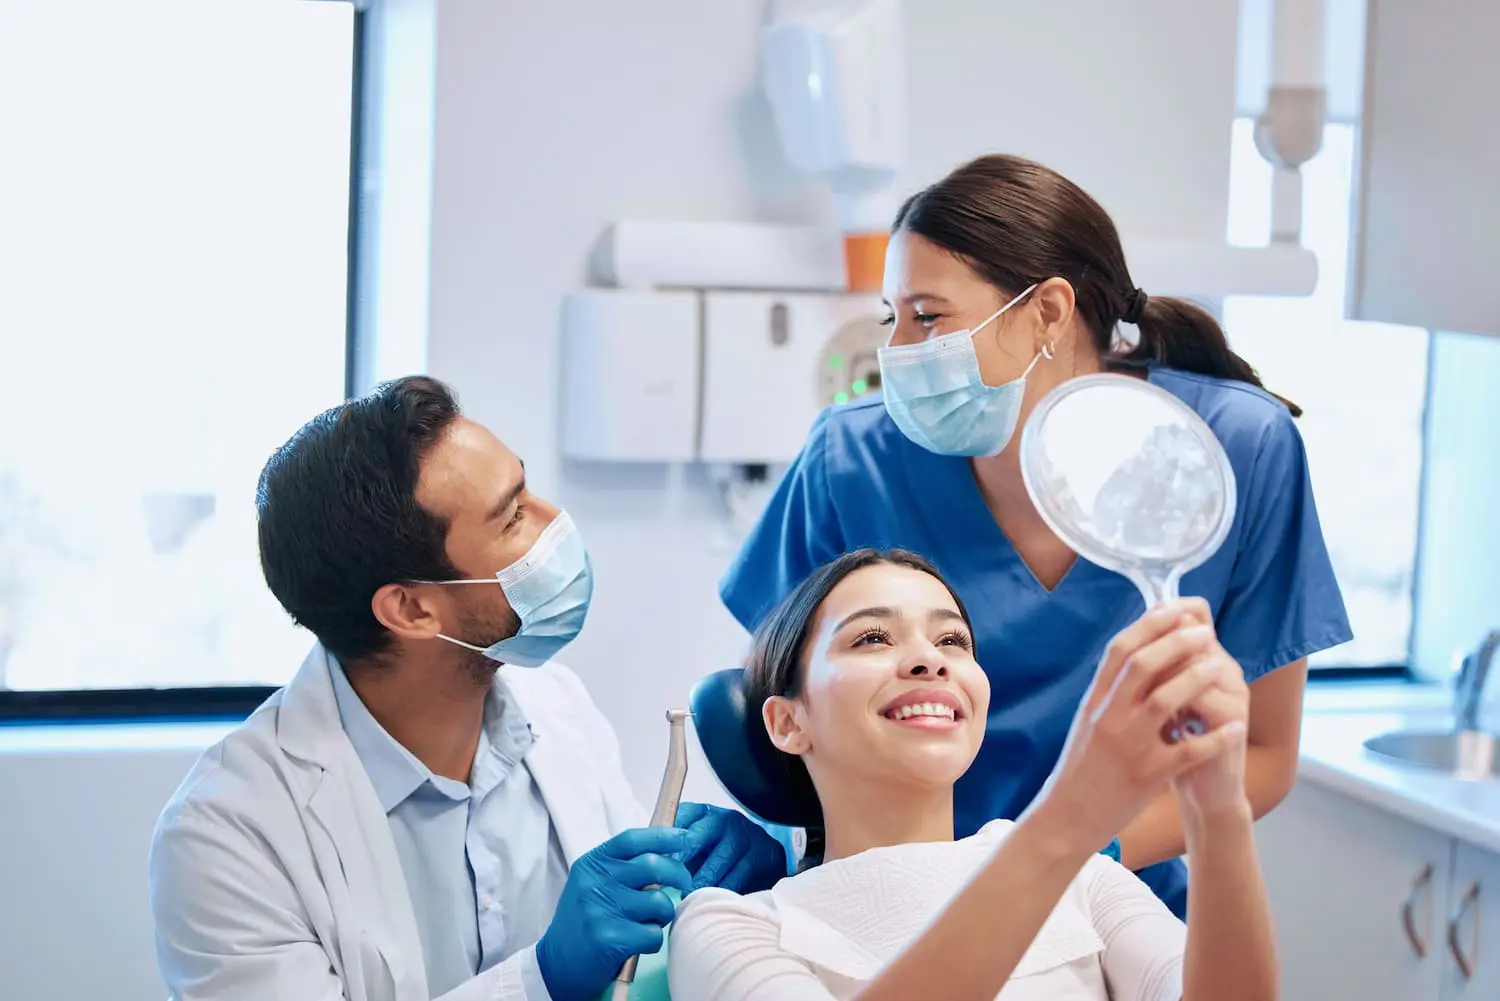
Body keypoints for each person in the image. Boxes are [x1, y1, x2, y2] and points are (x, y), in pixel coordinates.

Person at [720, 153, 1352, 916]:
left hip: (1116, 905)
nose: (899, 353)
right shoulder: (853, 459)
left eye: (928, 315)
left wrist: (1073, 860)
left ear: (1048, 311)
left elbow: (1263, 755)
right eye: (893, 319)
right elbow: (779, 705)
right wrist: (763, 837)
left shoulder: (1232, 450)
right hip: (893, 904)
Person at [147, 375, 787, 1001]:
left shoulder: (556, 706)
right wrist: (544, 978)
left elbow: (635, 955)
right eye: (511, 518)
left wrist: (725, 892)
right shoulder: (227, 836)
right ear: (411, 611)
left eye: (526, 489)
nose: (555, 521)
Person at [670, 548, 1277, 1001]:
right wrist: (1072, 813)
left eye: (953, 640)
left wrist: (1219, 815)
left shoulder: (1086, 883)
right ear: (786, 723)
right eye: (873, 637)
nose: (929, 659)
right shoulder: (732, 925)